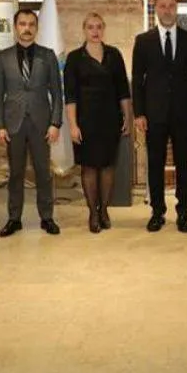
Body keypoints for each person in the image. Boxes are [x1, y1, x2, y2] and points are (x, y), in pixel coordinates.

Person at [131, 0, 187, 233]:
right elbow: (137, 80)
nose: (167, 10)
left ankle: (183, 213)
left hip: (184, 113)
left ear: (177, 9)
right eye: (162, 6)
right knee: (155, 164)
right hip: (154, 114)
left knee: (184, 164)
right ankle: (157, 212)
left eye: (171, 5)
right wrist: (139, 113)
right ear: (155, 9)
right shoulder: (143, 41)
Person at [0, 8, 63, 237]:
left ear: (37, 28)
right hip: (13, 124)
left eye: (31, 24)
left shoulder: (47, 56)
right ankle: (14, 218)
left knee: (43, 173)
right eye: (22, 24)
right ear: (15, 27)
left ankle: (47, 217)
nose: (27, 28)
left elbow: (57, 93)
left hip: (41, 124)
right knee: (15, 174)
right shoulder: (3, 57)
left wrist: (55, 123)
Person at [63, 13, 132, 233]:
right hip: (85, 122)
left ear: (104, 29)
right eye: (91, 27)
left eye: (99, 27)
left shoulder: (114, 55)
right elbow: (70, 95)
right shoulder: (74, 58)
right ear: (84, 30)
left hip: (111, 119)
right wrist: (73, 125)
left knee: (108, 166)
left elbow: (123, 90)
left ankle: (104, 210)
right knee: (90, 167)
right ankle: (93, 212)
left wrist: (127, 117)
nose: (95, 31)